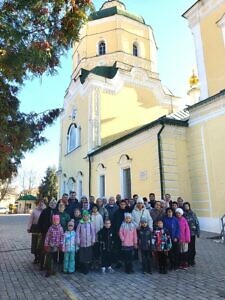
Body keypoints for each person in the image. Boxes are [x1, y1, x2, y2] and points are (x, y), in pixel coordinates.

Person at [38, 198, 58, 270]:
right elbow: (40, 222)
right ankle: (42, 265)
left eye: (54, 203)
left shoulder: (56, 212)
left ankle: (50, 265)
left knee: (53, 250)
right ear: (49, 204)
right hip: (45, 233)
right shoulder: (45, 211)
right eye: (52, 203)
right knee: (44, 249)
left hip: (54, 234)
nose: (53, 204)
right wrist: (41, 231)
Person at [76, 210, 95, 274]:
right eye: (84, 216)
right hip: (82, 243)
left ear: (88, 216)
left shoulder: (90, 223)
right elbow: (77, 233)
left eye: (86, 216)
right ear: (82, 217)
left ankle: (87, 268)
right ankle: (82, 268)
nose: (85, 217)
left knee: (88, 256)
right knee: (82, 256)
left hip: (89, 243)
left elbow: (93, 233)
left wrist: (93, 240)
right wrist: (78, 240)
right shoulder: (80, 224)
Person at [112, 199, 130, 268]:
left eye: (124, 204)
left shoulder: (128, 212)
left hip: (127, 233)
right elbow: (115, 223)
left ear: (125, 205)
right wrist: (117, 231)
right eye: (121, 204)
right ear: (119, 205)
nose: (123, 205)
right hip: (118, 233)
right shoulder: (116, 212)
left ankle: (126, 262)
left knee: (126, 248)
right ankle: (119, 262)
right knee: (119, 248)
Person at [27, 199, 46, 264]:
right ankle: (36, 257)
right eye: (40, 202)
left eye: (42, 202)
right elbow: (30, 220)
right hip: (35, 228)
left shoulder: (45, 210)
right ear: (37, 203)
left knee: (41, 244)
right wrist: (29, 228)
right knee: (35, 244)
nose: (41, 204)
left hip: (42, 229)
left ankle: (40, 257)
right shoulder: (34, 211)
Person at [183, 202, 200, 266]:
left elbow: (197, 222)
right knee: (187, 248)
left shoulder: (193, 214)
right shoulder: (183, 214)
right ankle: (187, 260)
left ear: (189, 206)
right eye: (185, 206)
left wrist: (198, 232)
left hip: (192, 233)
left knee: (192, 248)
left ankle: (192, 260)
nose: (186, 207)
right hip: (185, 234)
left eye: (187, 206)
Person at [91, 204, 103, 269]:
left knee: (97, 249)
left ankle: (98, 262)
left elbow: (101, 225)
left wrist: (100, 233)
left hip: (98, 235)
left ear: (97, 209)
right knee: (92, 249)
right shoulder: (90, 216)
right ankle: (93, 263)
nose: (94, 209)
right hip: (91, 235)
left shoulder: (100, 216)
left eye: (96, 208)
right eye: (93, 208)